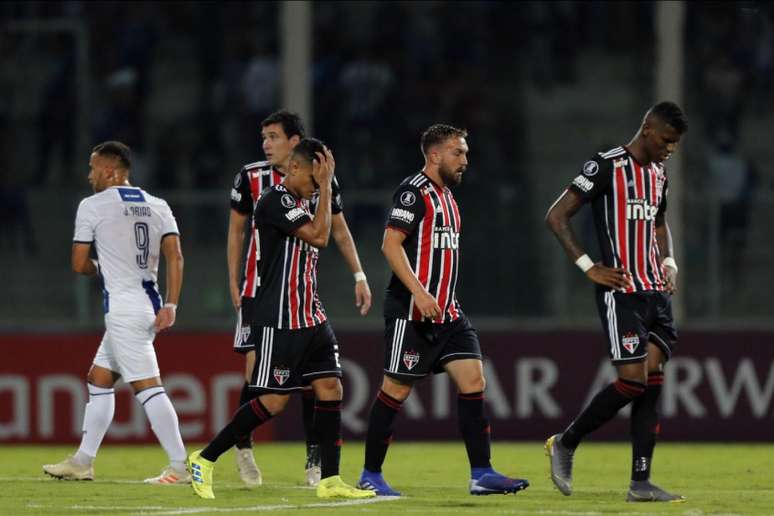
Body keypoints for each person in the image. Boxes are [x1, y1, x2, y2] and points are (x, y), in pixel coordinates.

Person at [189, 139, 374, 501]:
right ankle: (205, 457)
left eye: (322, 176)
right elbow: (320, 237)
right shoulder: (274, 201)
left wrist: (321, 187)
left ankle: (331, 480)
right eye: (313, 176)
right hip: (280, 318)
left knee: (331, 389)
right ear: (294, 169)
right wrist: (324, 186)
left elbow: (333, 230)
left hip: (312, 314)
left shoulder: (307, 199)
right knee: (274, 402)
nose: (318, 183)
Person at [356, 124, 529, 497]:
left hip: (449, 314)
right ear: (435, 155)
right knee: (395, 391)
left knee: (474, 382)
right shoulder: (413, 192)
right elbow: (390, 244)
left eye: (465, 153)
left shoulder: (448, 197)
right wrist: (418, 292)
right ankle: (370, 474)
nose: (465, 160)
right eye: (458, 153)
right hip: (411, 312)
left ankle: (481, 473)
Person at [544, 101, 688, 502]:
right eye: (665, 141)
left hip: (656, 292)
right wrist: (589, 266)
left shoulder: (659, 174)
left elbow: (659, 223)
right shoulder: (606, 165)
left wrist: (669, 261)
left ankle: (640, 482)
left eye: (674, 144)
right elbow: (557, 216)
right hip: (620, 292)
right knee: (632, 381)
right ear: (647, 129)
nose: (669, 150)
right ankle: (566, 442)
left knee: (651, 382)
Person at [43, 141, 189, 484]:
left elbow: (79, 264)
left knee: (148, 387)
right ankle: (83, 461)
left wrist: (100, 267)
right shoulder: (158, 204)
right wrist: (172, 303)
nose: (89, 174)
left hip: (123, 308)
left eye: (94, 168)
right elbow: (176, 256)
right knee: (100, 377)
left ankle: (181, 467)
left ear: (110, 171)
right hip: (150, 302)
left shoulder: (93, 206)